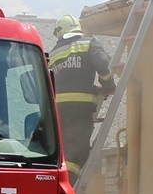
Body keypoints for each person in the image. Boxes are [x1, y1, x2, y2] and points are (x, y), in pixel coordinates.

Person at [48, 14, 116, 184]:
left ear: (59, 32)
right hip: (81, 109)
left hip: (58, 112)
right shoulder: (88, 43)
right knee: (77, 151)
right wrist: (107, 85)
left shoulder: (54, 53)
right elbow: (101, 64)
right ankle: (67, 186)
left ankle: (56, 182)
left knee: (63, 150)